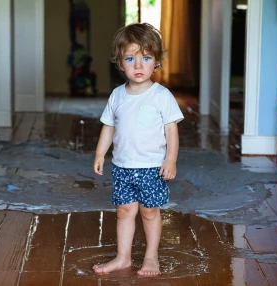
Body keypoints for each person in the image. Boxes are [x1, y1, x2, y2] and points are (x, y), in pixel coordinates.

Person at [92, 23, 184, 277]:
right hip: (123, 166)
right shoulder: (117, 96)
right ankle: (123, 257)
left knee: (150, 211)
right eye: (130, 58)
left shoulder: (161, 96)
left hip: (152, 167)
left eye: (146, 58)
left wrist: (171, 159)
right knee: (124, 211)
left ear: (156, 61)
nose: (138, 65)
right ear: (120, 64)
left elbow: (171, 131)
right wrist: (100, 154)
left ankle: (151, 257)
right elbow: (109, 127)